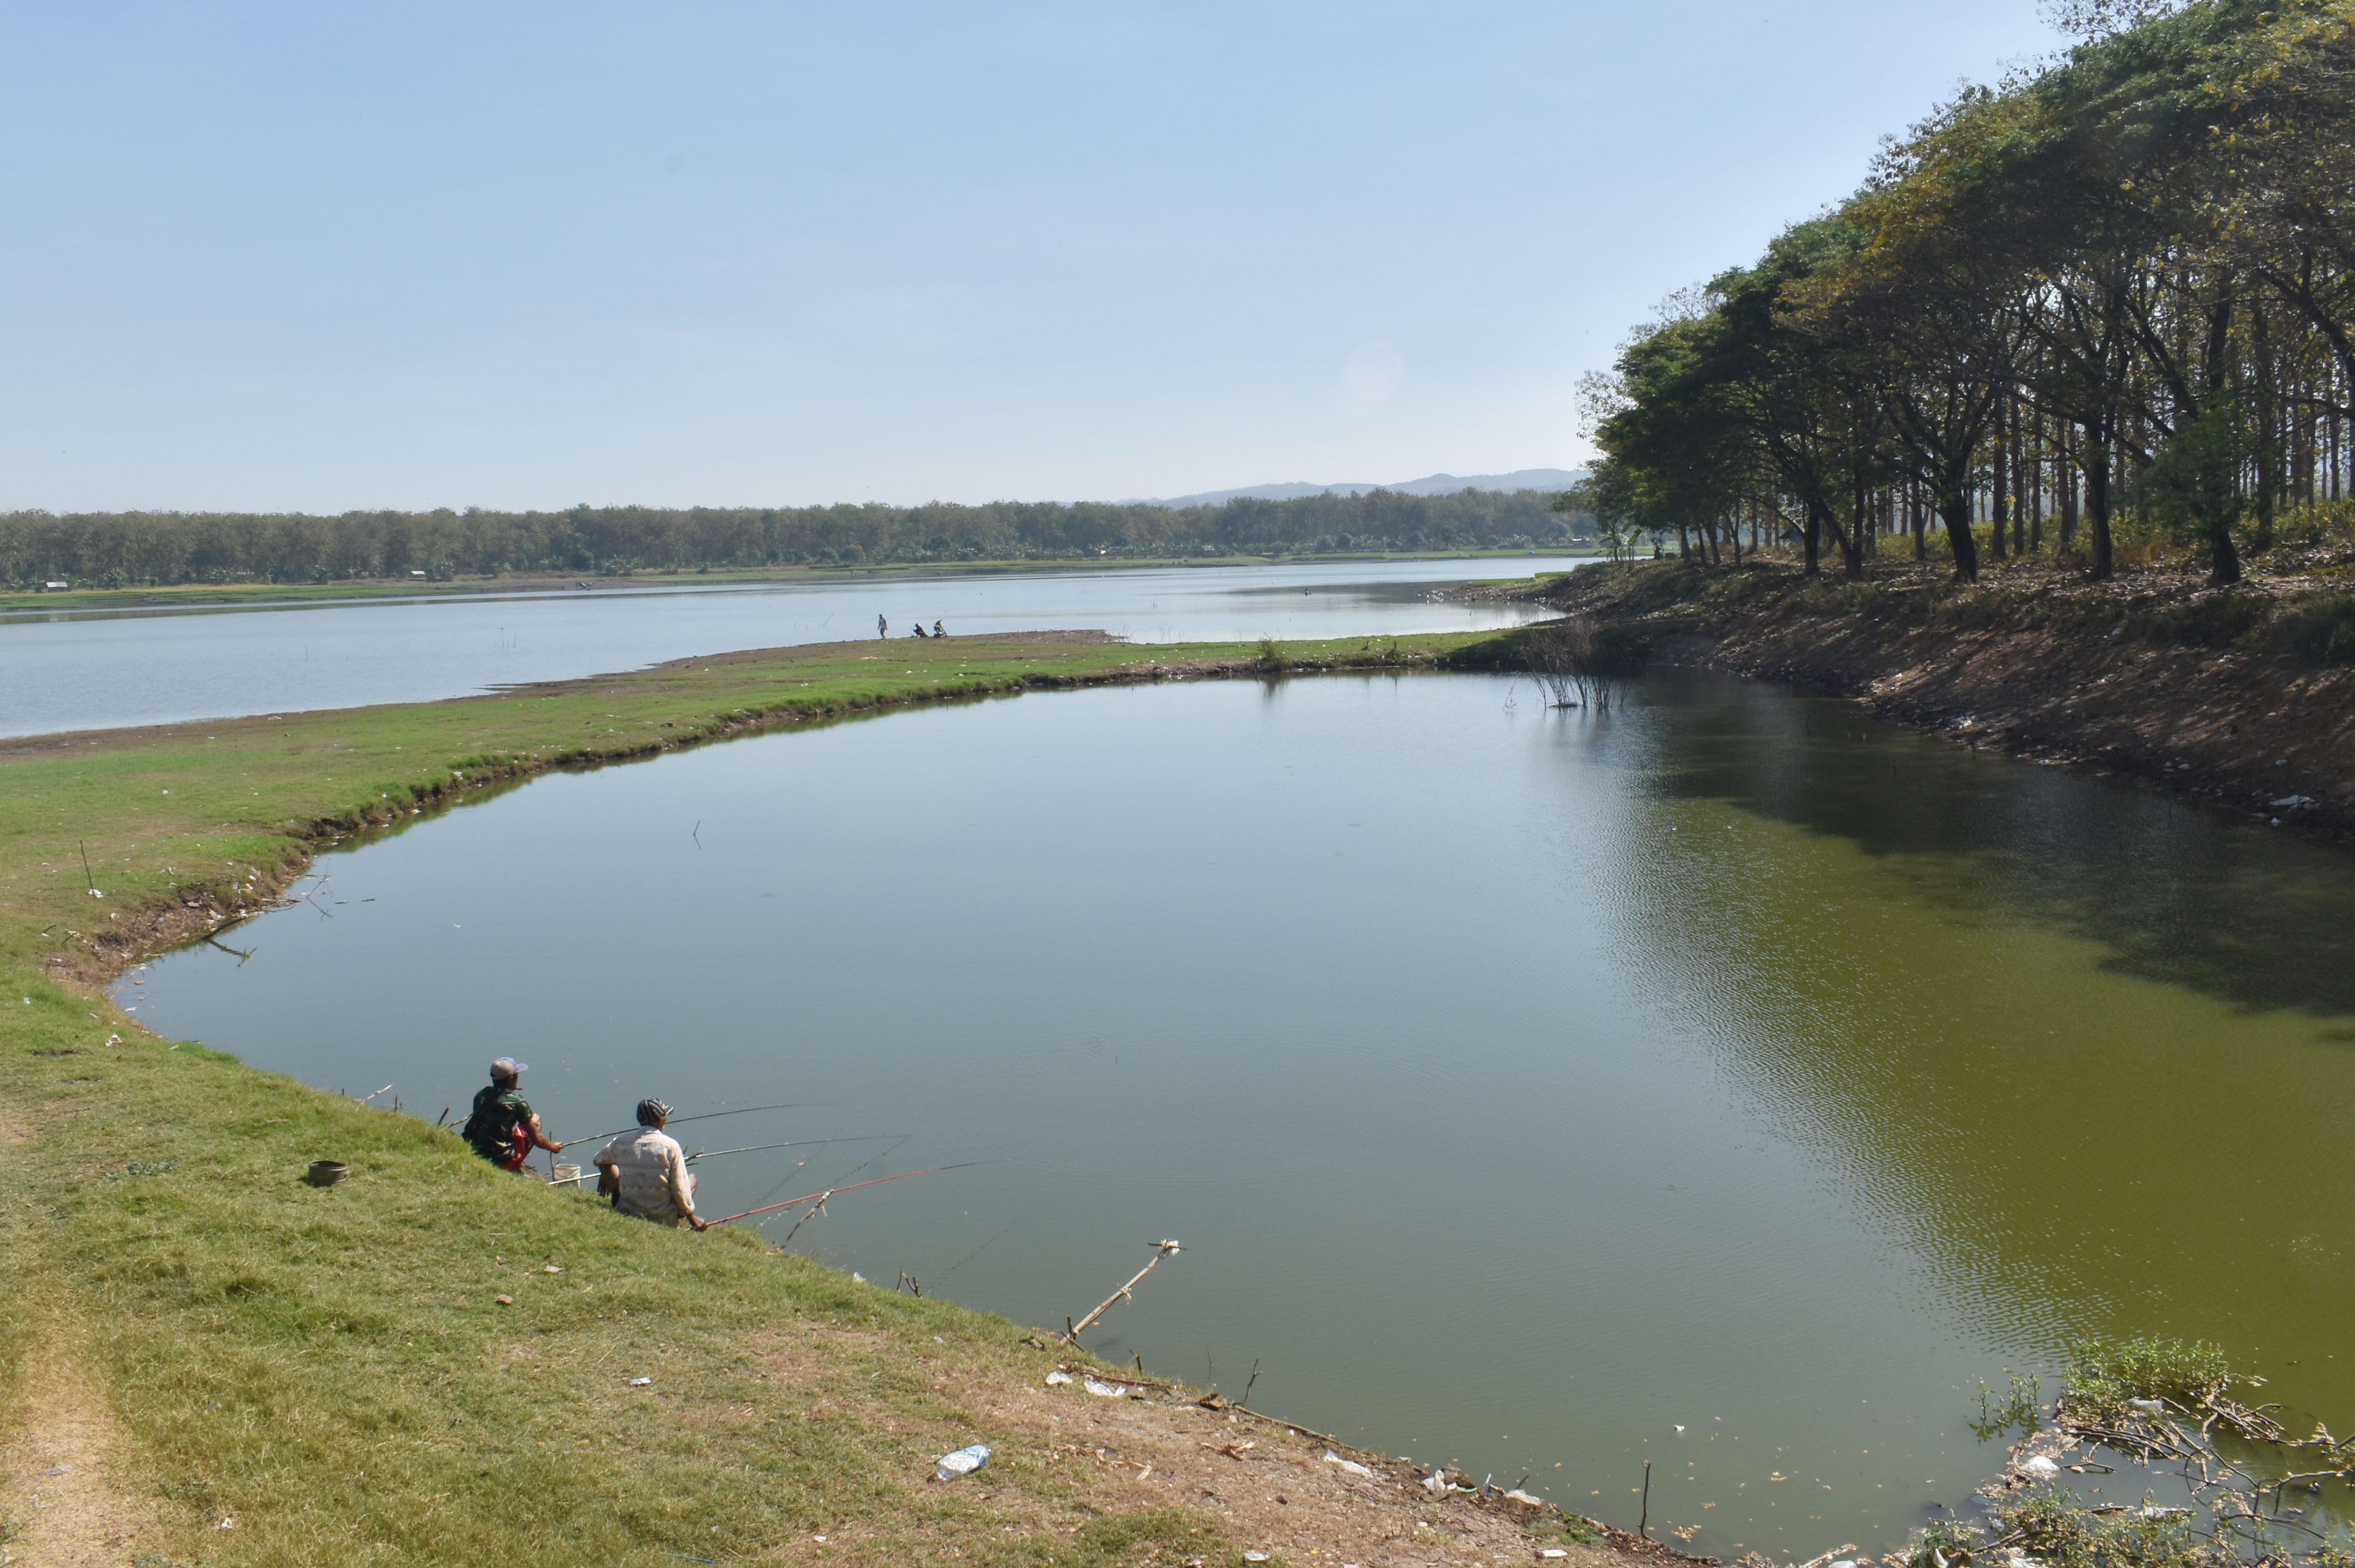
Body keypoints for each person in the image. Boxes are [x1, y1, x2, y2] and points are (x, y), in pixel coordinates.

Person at [594, 1098, 709, 1230]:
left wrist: (605, 1173)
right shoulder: (671, 1146)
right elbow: (679, 1188)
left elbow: (599, 1159)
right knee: (692, 1179)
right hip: (663, 1217)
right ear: (660, 1119)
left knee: (612, 1166)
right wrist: (693, 1219)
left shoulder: (621, 1142)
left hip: (628, 1212)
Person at [460, 1058, 562, 1172]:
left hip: (474, 1152)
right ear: (511, 1079)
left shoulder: (481, 1095)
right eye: (517, 1075)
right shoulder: (516, 1101)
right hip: (500, 1159)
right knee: (536, 1120)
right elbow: (537, 1139)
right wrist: (553, 1147)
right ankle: (515, 1166)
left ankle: (512, 1163)